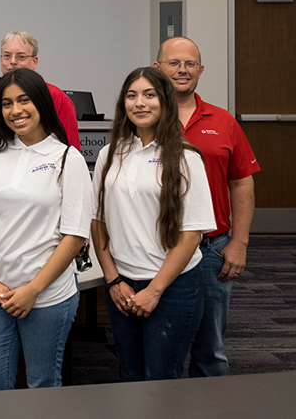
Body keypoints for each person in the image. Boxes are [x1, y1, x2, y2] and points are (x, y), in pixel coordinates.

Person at [0, 68, 92, 390]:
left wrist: (33, 290)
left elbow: (74, 235)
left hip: (48, 295)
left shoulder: (66, 158)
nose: (15, 110)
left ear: (42, 103)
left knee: (42, 385)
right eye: (6, 103)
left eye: (24, 100)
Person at [91, 67, 215, 381]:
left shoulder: (187, 158)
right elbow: (98, 222)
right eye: (132, 96)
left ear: (165, 102)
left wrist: (155, 291)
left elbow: (192, 234)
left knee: (160, 378)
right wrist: (112, 280)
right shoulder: (109, 155)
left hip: (173, 287)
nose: (140, 103)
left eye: (149, 95)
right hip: (121, 285)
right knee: (130, 374)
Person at [154, 37, 260, 377]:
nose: (182, 70)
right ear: (158, 68)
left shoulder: (224, 121)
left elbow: (242, 182)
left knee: (210, 348)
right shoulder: (142, 118)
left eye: (189, 64)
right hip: (155, 249)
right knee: (159, 344)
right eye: (174, 63)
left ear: (200, 71)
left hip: (211, 248)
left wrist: (239, 243)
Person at [0, 31, 80, 150]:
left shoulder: (57, 98)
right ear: (1, 61)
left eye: (21, 57)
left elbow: (70, 148)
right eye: (7, 56)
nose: (13, 61)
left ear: (35, 62)